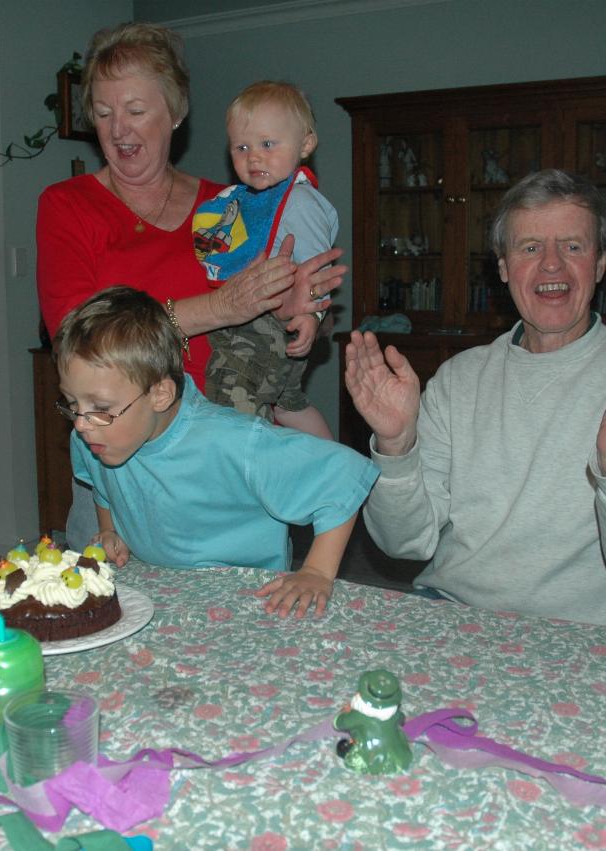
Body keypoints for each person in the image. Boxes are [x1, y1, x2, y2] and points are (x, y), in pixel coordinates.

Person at [345, 169, 606, 631]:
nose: (551, 265)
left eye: (572, 246)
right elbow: (402, 544)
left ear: (599, 264)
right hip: (451, 615)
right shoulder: (459, 379)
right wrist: (395, 446)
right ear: (502, 267)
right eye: (530, 248)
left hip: (582, 636)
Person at [35, 22, 345, 546]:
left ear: (175, 114)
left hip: (226, 451)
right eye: (104, 114)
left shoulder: (228, 204)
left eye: (135, 111)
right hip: (124, 463)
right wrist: (221, 306)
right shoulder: (67, 206)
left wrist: (305, 307)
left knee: (239, 613)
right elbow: (73, 335)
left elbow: (287, 301)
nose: (118, 129)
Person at [53, 287, 378, 618]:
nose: (80, 423)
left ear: (160, 395)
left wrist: (317, 572)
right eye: (72, 404)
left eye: (101, 407)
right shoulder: (96, 437)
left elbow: (341, 475)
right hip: (162, 594)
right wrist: (109, 529)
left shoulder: (235, 441)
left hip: (252, 599)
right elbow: (102, 485)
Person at [191, 80, 335, 439]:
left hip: (265, 331)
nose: (253, 156)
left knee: (233, 397)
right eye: (241, 147)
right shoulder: (253, 201)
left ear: (306, 144)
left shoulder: (298, 202)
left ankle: (249, 475)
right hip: (265, 325)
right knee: (287, 403)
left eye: (267, 144)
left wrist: (311, 314)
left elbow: (319, 269)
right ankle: (333, 461)